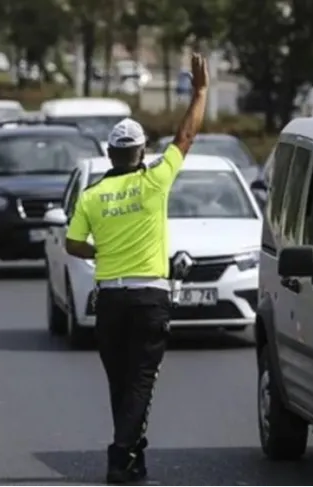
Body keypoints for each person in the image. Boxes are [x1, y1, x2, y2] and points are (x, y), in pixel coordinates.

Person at [64, 54, 209, 484]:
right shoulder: (154, 182)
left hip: (109, 297)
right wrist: (200, 92)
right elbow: (186, 136)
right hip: (150, 298)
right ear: (142, 151)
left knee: (121, 382)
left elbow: (72, 243)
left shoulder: (92, 195)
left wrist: (101, 251)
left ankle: (133, 457)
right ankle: (120, 454)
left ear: (110, 153)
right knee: (142, 380)